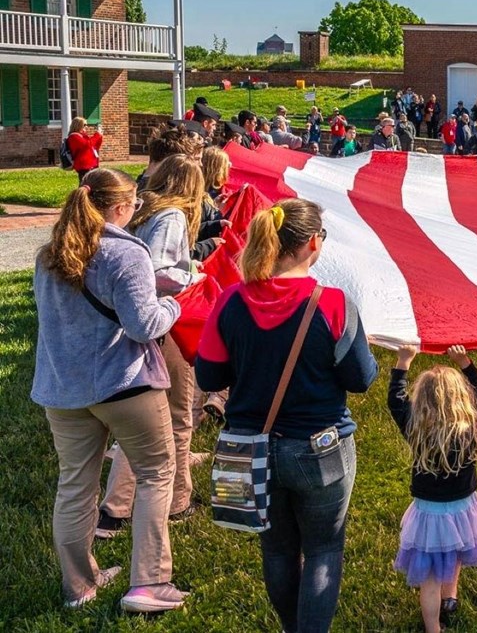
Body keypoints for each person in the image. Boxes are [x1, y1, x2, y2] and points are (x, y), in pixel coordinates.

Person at [195, 198, 378, 632]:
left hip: (251, 447)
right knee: (323, 549)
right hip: (320, 447)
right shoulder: (333, 303)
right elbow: (361, 378)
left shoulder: (230, 301)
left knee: (276, 551)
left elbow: (208, 373)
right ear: (313, 243)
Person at [32, 169, 189, 612]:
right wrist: (175, 302)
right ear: (121, 207)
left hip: (63, 389)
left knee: (75, 486)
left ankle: (78, 587)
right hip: (124, 385)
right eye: (135, 203)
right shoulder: (126, 252)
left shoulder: (50, 254)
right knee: (157, 474)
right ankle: (150, 583)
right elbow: (145, 326)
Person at [97, 155, 208, 538]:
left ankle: (116, 506)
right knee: (175, 417)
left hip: (141, 321)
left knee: (148, 425)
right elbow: (157, 273)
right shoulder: (173, 215)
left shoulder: (145, 212)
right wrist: (191, 274)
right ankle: (173, 501)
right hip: (166, 322)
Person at [389, 344, 477, 633]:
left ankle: (434, 628)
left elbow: (395, 401)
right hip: (463, 509)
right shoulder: (472, 424)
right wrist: (464, 362)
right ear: (463, 400)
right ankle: (451, 596)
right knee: (456, 550)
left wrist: (403, 362)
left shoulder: (415, 428)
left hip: (429, 514)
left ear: (420, 402)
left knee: (430, 578)